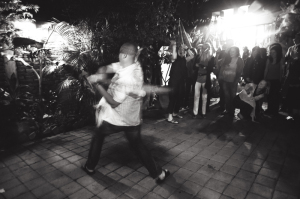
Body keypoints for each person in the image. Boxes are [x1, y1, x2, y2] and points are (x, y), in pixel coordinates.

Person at [83, 42, 170, 183]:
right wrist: (101, 70)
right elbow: (112, 66)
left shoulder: (128, 78)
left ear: (124, 55)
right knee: (138, 146)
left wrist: (97, 84)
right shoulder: (133, 66)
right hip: (132, 119)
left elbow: (113, 102)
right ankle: (158, 174)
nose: (118, 56)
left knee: (98, 135)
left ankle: (90, 167)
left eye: (119, 53)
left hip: (117, 119)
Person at [218, 46, 244, 117]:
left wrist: (236, 80)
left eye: (233, 51)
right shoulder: (227, 59)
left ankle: (232, 111)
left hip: (233, 81)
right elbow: (221, 66)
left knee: (232, 96)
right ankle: (227, 109)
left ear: (237, 52)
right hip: (225, 80)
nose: (231, 53)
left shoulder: (239, 60)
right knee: (226, 96)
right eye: (230, 51)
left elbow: (239, 71)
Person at [167, 45, 187, 124]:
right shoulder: (175, 58)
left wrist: (186, 48)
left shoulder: (183, 58)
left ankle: (175, 112)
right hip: (174, 81)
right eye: (180, 49)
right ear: (178, 50)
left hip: (181, 81)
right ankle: (169, 117)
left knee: (179, 97)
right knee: (173, 98)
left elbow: (192, 56)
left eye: (183, 49)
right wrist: (175, 46)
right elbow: (174, 56)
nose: (182, 51)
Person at [193, 43, 213, 118]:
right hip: (197, 78)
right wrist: (196, 66)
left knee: (204, 97)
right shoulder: (198, 56)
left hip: (205, 78)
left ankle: (203, 112)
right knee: (196, 96)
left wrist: (204, 67)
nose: (204, 49)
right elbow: (193, 67)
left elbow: (211, 69)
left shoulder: (211, 57)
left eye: (206, 48)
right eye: (203, 48)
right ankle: (195, 113)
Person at [264, 44, 284, 116]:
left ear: (277, 52)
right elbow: (266, 69)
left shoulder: (280, 59)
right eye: (271, 52)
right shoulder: (269, 59)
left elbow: (281, 71)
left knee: (275, 95)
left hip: (276, 80)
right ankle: (269, 109)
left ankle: (274, 110)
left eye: (274, 52)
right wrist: (265, 78)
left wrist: (280, 80)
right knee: (269, 95)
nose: (272, 54)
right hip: (269, 80)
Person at [284, 32, 300, 120]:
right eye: (295, 37)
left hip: (298, 73)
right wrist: (291, 60)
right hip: (291, 73)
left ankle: (296, 111)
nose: (295, 39)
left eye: (297, 37)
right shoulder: (291, 48)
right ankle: (290, 111)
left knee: (297, 93)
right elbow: (286, 59)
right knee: (290, 92)